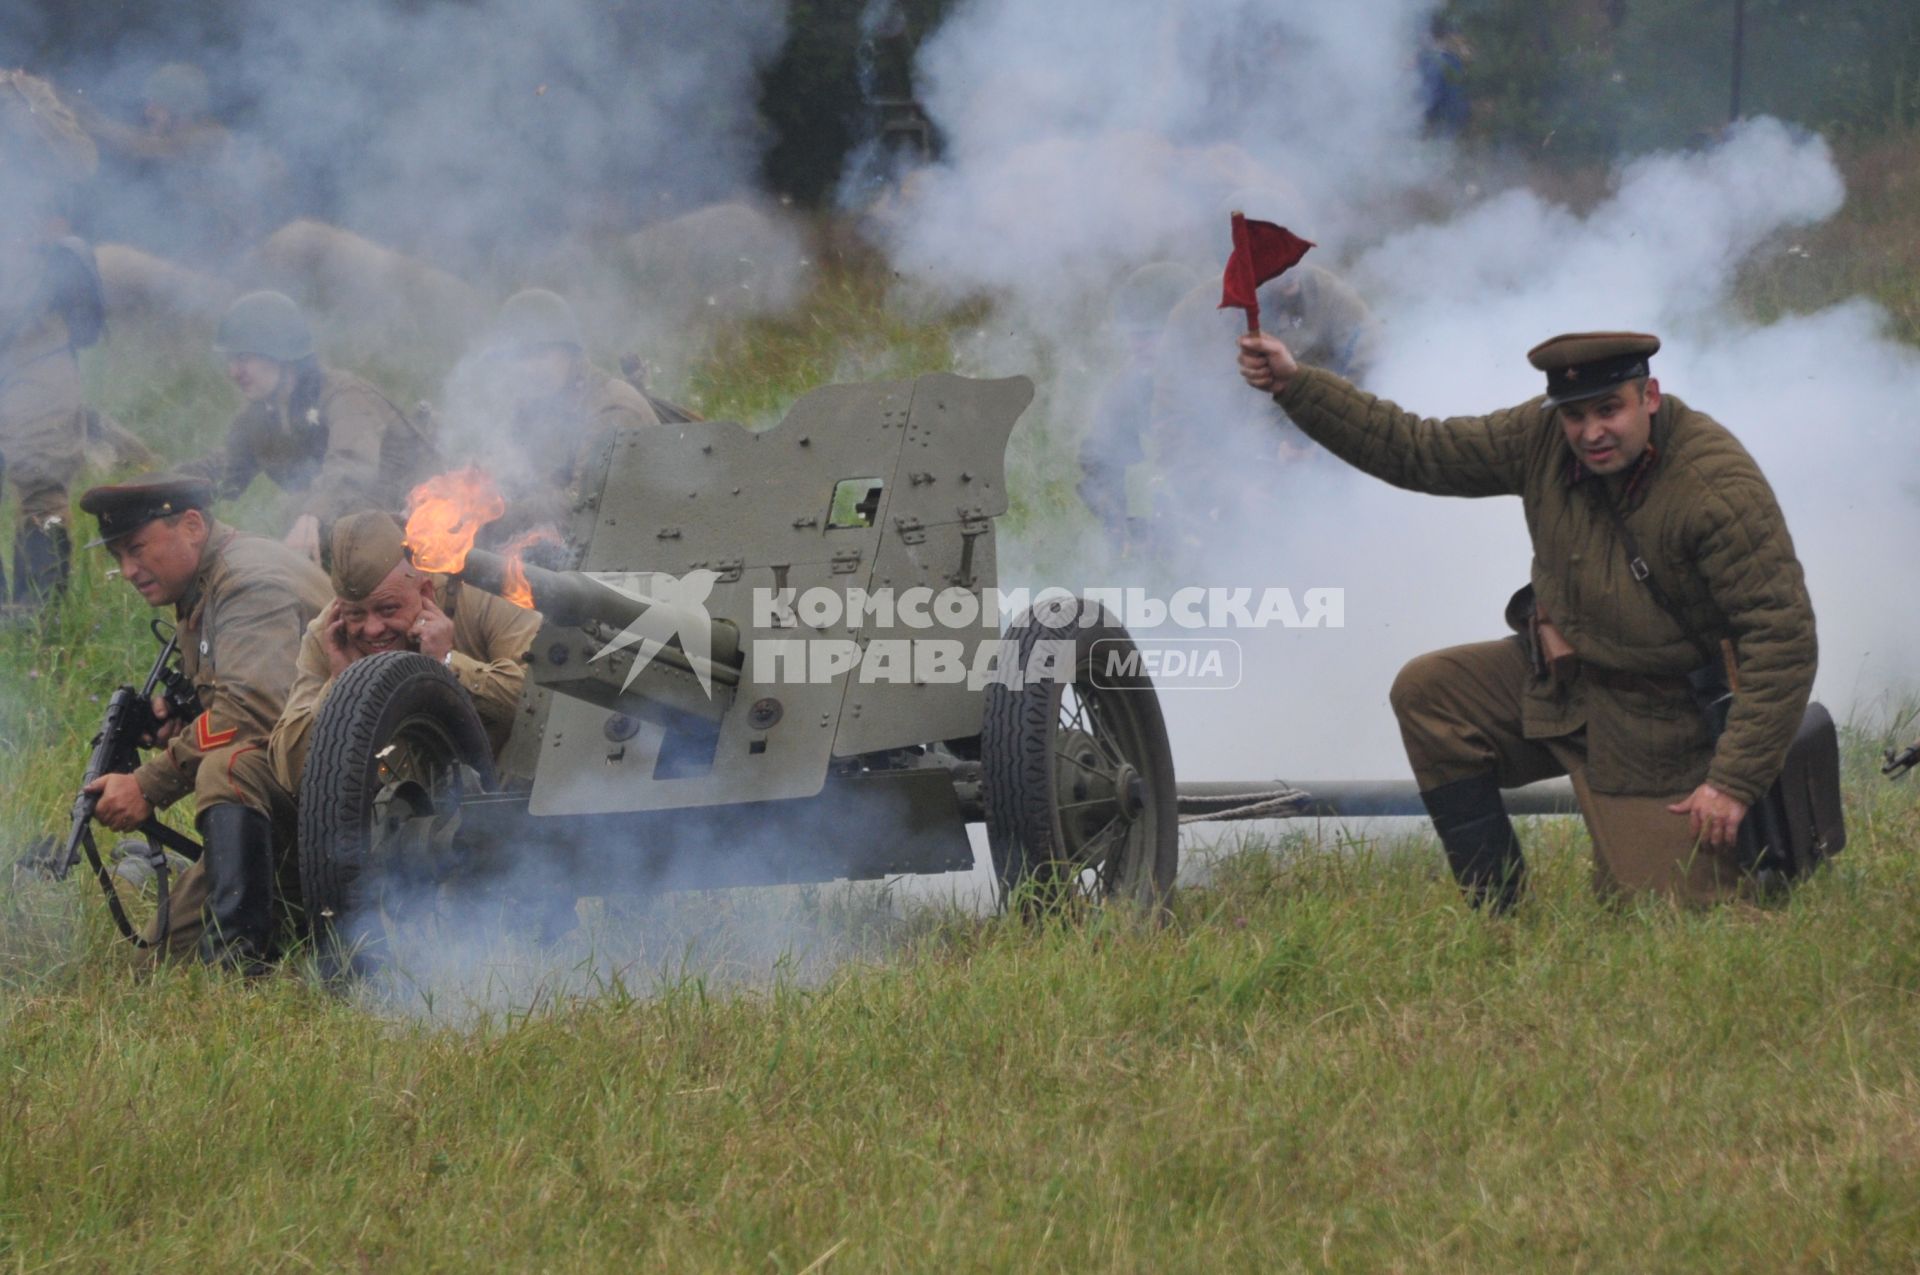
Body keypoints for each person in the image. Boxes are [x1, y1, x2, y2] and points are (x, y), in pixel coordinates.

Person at [1238, 329, 1817, 908]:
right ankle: (1499, 909)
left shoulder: (1716, 488)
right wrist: (1297, 384)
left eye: (1609, 409)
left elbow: (1781, 639)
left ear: (1651, 396)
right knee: (1430, 691)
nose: (1591, 432)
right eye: (1574, 414)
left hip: (1663, 729)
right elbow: (1419, 449)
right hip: (1561, 689)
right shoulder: (1541, 436)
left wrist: (1733, 783)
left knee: (1666, 929)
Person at [77, 475, 331, 966]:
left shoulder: (246, 582)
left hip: (336, 803)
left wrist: (147, 785)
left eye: (137, 549)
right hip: (298, 780)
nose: (128, 570)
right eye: (118, 558)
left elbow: (253, 710)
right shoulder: (210, 578)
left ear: (191, 525)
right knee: (157, 962)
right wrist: (186, 716)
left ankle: (242, 965)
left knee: (225, 767)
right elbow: (254, 690)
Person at [269, 509, 543, 794]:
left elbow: (542, 702)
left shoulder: (486, 595)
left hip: (510, 795)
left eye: (388, 609)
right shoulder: (330, 634)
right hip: (396, 813)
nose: (373, 629)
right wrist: (339, 687)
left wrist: (446, 663)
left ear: (425, 590)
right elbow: (290, 772)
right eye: (356, 614)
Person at [182, 291, 435, 561]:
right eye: (231, 360)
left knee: (302, 510)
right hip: (365, 534)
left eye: (244, 358)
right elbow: (226, 474)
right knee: (295, 513)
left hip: (426, 528)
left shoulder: (344, 396)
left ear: (280, 353)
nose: (234, 372)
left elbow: (351, 467)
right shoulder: (259, 417)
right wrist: (164, 492)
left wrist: (312, 515)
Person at [0, 69, 104, 615]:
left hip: (33, 331)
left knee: (41, 474)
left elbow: (78, 161)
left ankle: (36, 617)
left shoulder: (23, 100)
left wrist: (21, 103)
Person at [474, 288, 660, 547]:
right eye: (519, 357)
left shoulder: (613, 409)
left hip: (626, 556)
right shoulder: (534, 407)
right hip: (564, 554)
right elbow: (501, 471)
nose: (528, 369)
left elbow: (584, 506)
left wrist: (495, 516)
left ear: (571, 353)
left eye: (539, 354)